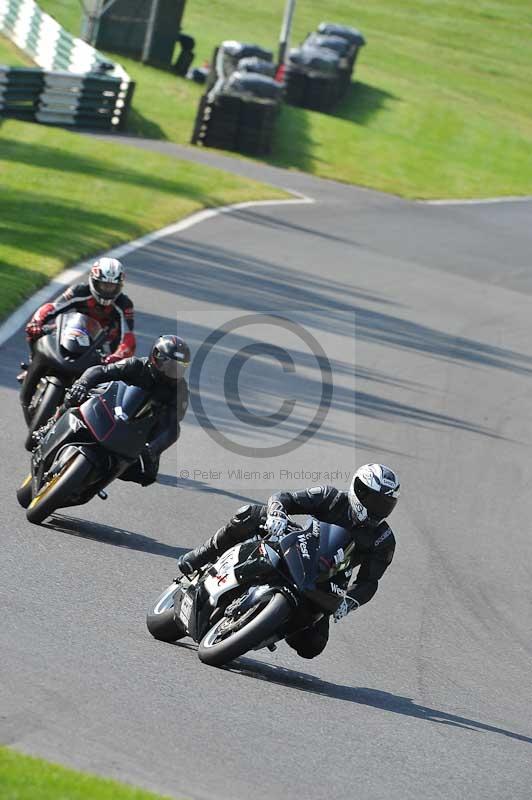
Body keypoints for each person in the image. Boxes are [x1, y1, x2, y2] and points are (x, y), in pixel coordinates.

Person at [177, 464, 399, 659]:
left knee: (313, 646)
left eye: (386, 505)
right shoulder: (331, 497)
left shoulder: (383, 539)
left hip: (328, 578)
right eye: (376, 501)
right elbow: (285, 498)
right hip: (300, 545)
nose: (379, 509)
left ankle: (269, 625)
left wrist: (349, 602)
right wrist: (277, 513)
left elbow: (370, 581)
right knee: (249, 514)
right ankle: (201, 555)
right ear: (359, 489)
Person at [38, 335, 190, 487]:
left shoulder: (179, 390)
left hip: (140, 428)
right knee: (74, 397)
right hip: (112, 405)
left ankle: (97, 479)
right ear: (156, 357)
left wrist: (153, 449)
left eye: (178, 368)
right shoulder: (136, 365)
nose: (171, 371)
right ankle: (51, 423)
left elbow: (172, 425)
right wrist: (83, 384)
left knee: (148, 474)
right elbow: (101, 371)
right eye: (168, 365)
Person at [19, 258, 136, 417]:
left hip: (102, 345)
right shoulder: (79, 291)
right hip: (71, 332)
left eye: (112, 286)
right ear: (94, 281)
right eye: (104, 285)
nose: (107, 290)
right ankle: (34, 363)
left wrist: (116, 356)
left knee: (115, 377)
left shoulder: (124, 304)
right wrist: (36, 322)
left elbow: (128, 337)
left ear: (120, 286)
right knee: (39, 331)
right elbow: (52, 307)